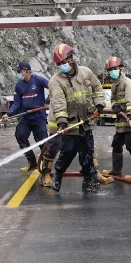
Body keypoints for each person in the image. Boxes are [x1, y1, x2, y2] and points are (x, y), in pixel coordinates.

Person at [49, 43, 106, 194]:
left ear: (71, 59)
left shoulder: (86, 73)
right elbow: (59, 103)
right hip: (70, 124)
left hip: (86, 122)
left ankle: (88, 180)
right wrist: (62, 121)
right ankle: (58, 175)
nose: (61, 66)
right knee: (68, 150)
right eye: (59, 64)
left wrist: (99, 104)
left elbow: (97, 88)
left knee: (87, 151)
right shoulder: (56, 81)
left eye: (63, 62)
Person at [1, 61, 50, 174]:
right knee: (20, 136)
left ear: (26, 71)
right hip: (25, 116)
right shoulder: (19, 85)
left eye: (19, 71)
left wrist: (47, 102)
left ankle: (46, 167)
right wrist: (8, 114)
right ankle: (32, 162)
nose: (18, 73)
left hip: (38, 116)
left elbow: (53, 88)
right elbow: (17, 103)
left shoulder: (38, 80)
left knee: (42, 141)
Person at [104, 56, 131, 181]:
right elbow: (113, 99)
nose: (112, 71)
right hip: (121, 122)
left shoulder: (128, 83)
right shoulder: (115, 85)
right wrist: (115, 106)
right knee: (116, 144)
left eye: (114, 68)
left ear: (120, 68)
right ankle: (116, 170)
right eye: (110, 69)